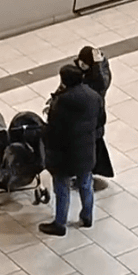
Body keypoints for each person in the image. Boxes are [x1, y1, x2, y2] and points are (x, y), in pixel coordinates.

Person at [40, 63, 103, 236]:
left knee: (62, 188)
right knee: (85, 184)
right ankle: (87, 216)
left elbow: (53, 130)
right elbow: (100, 119)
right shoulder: (94, 96)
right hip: (86, 150)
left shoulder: (61, 101)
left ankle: (60, 223)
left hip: (64, 154)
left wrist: (42, 132)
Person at [76, 46, 114, 190]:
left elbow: (102, 85)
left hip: (93, 116)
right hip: (82, 115)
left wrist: (97, 67)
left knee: (93, 144)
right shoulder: (81, 68)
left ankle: (88, 174)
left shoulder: (101, 72)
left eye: (84, 63)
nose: (81, 66)